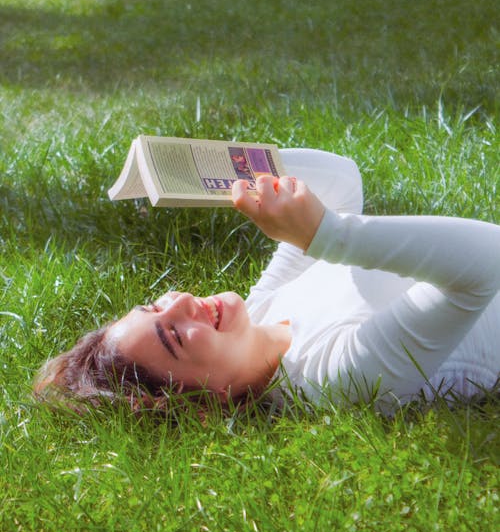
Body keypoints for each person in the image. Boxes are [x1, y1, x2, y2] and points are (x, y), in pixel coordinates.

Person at [34, 149, 500, 412]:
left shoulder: (263, 314)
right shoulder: (329, 380)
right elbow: (486, 265)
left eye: (156, 306)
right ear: (202, 402)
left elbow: (341, 184)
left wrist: (220, 167)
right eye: (174, 335)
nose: (180, 303)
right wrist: (328, 237)